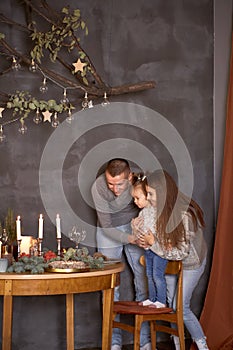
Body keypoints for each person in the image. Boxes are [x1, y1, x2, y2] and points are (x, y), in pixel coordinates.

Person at [137, 169, 209, 350]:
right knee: (170, 306)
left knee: (180, 308)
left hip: (191, 263)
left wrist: (154, 244)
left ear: (162, 192)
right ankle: (179, 345)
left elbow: (181, 253)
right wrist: (144, 237)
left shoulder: (185, 215)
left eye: (150, 194)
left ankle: (203, 345)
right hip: (169, 261)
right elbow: (161, 242)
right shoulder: (158, 209)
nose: (148, 198)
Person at [91, 159, 150, 350]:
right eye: (111, 184)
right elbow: (107, 226)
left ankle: (144, 340)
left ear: (130, 177)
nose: (114, 189)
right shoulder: (98, 187)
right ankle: (113, 342)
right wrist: (130, 238)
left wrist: (142, 227)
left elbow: (153, 206)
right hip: (109, 231)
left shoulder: (141, 179)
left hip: (135, 226)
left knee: (143, 282)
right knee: (110, 287)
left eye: (120, 184)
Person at [131, 173, 189, 308]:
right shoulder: (145, 212)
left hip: (160, 251)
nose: (135, 201)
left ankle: (160, 301)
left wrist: (157, 242)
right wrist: (135, 229)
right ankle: (152, 298)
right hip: (149, 250)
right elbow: (141, 233)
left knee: (157, 275)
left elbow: (164, 233)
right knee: (149, 275)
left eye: (139, 197)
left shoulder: (163, 212)